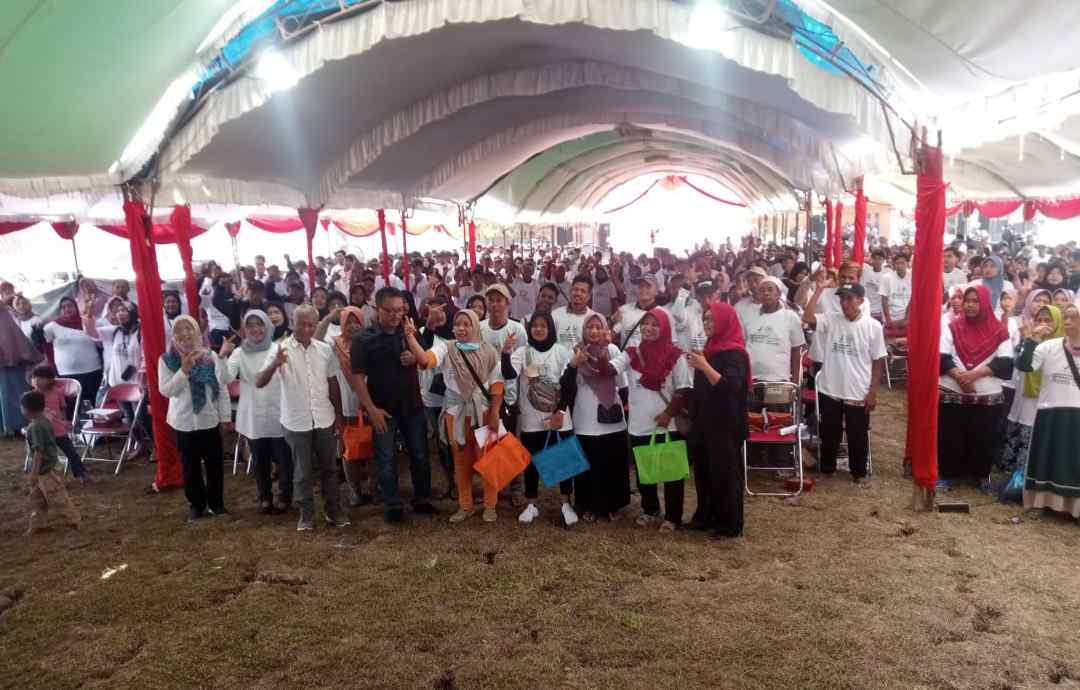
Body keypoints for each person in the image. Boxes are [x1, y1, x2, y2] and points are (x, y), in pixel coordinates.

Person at [403, 308, 504, 523]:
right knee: (461, 462)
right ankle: (465, 505)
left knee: (489, 460)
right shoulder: (446, 348)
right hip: (455, 414)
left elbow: (497, 385)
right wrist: (411, 338)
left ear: (475, 326)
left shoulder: (489, 351)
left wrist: (495, 413)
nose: (461, 328)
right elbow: (426, 360)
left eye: (466, 324)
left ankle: (490, 505)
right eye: (457, 324)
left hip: (484, 413)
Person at [256, 306, 348, 531]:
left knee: (329, 468)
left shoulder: (324, 350)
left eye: (310, 324)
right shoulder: (280, 349)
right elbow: (259, 381)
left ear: (317, 325)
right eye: (301, 324)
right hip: (296, 421)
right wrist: (275, 364)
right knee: (302, 472)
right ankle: (306, 515)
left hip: (324, 418)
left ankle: (333, 511)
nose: (306, 329)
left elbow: (333, 383)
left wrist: (338, 415)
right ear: (292, 322)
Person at [350, 288, 437, 523]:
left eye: (400, 310)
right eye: (389, 311)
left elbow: (424, 360)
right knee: (386, 457)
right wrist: (371, 409)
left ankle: (422, 498)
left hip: (412, 405)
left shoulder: (408, 330)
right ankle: (393, 504)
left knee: (419, 454)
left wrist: (414, 358)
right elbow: (357, 377)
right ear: (377, 309)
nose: (396, 316)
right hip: (383, 409)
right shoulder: (363, 338)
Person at [609, 309, 691, 531]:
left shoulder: (676, 356)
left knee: (672, 473)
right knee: (645, 472)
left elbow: (683, 390)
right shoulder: (632, 353)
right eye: (645, 323)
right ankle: (650, 509)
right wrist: (599, 347)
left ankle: (672, 517)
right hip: (639, 424)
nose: (649, 328)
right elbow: (609, 369)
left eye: (655, 325)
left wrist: (668, 414)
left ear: (664, 328)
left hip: (668, 425)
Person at [802, 281, 885, 485]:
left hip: (857, 389)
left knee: (857, 433)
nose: (844, 303)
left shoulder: (873, 327)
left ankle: (858, 472)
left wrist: (873, 391)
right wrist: (819, 290)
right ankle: (827, 469)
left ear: (861, 300)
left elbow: (878, 361)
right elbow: (807, 318)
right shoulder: (832, 319)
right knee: (829, 431)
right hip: (830, 387)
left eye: (849, 298)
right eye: (841, 298)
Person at [936, 285, 1014, 490]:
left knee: (984, 436)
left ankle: (980, 475)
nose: (969, 305)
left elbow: (1005, 363)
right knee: (950, 435)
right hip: (952, 392)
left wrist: (974, 375)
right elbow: (941, 356)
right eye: (967, 301)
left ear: (985, 303)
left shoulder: (1000, 331)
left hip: (987, 396)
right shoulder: (953, 327)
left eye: (975, 301)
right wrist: (960, 378)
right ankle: (948, 473)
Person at [502, 311, 577, 525]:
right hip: (532, 419)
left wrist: (560, 412)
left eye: (543, 325)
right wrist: (505, 352)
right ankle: (532, 504)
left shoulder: (560, 351)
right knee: (532, 461)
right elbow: (509, 374)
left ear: (550, 328)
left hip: (559, 417)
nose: (539, 329)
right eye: (535, 325)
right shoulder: (523, 351)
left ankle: (565, 503)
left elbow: (569, 383)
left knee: (563, 460)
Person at [158, 315, 233, 522]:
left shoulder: (210, 356)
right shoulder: (166, 360)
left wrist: (225, 417)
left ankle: (217, 504)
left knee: (214, 465)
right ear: (173, 335)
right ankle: (197, 505)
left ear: (197, 332)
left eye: (189, 328)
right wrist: (184, 370)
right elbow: (167, 391)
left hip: (209, 419)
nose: (184, 333)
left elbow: (222, 387)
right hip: (183, 422)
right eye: (179, 330)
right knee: (190, 467)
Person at [686, 302, 751, 538]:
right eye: (705, 319)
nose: (707, 323)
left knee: (725, 475)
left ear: (725, 321)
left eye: (712, 319)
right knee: (704, 472)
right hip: (705, 420)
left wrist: (704, 365)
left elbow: (730, 387)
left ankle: (729, 525)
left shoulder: (734, 353)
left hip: (725, 423)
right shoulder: (710, 348)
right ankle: (705, 517)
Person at [220, 311, 293, 515]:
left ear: (267, 326)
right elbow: (226, 378)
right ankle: (265, 497)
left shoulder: (278, 348)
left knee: (284, 459)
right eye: (250, 325)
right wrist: (222, 355)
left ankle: (285, 495)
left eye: (259, 324)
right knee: (260, 460)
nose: (255, 329)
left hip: (279, 410)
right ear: (245, 329)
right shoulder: (240, 352)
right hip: (253, 414)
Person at [562, 312, 631, 522]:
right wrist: (575, 364)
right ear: (583, 330)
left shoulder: (612, 350)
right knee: (588, 465)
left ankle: (614, 505)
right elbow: (566, 386)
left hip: (611, 417)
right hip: (585, 417)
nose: (593, 331)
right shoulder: (576, 352)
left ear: (604, 329)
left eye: (598, 327)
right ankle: (588, 505)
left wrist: (625, 409)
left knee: (613, 464)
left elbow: (622, 384)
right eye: (589, 327)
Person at [1016, 303, 1080, 519]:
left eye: (1074, 317)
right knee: (1045, 459)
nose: (1068, 321)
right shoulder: (1049, 346)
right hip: (1050, 412)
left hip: (1077, 415)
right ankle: (1039, 503)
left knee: (1075, 463)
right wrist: (1032, 340)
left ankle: (1075, 509)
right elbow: (1025, 366)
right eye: (1066, 316)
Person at [331, 306, 375, 506]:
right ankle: (355, 492)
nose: (352, 326)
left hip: (371, 405)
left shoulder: (371, 343)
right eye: (347, 322)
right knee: (349, 452)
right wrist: (327, 319)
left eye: (356, 321)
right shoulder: (335, 346)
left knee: (374, 450)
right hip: (347, 406)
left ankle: (374, 489)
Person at [22, 390, 80, 535]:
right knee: (37, 499)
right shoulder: (44, 420)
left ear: (27, 410)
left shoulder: (36, 427)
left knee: (58, 498)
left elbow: (38, 452)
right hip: (45, 469)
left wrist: (34, 473)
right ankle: (38, 524)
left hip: (46, 471)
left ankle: (73, 521)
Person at [30, 364, 90, 482]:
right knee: (40, 454)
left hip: (58, 429)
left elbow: (62, 408)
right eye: (34, 377)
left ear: (49, 380)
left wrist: (64, 421)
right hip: (42, 431)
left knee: (71, 452)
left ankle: (81, 473)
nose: (36, 380)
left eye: (40, 378)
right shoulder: (33, 395)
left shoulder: (57, 392)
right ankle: (41, 474)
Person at [741, 276, 805, 382]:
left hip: (778, 379)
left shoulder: (790, 317)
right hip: (751, 378)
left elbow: (796, 351)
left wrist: (796, 381)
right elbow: (743, 345)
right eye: (762, 290)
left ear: (779, 294)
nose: (766, 293)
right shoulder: (749, 315)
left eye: (770, 290)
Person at [1, 297, 42, 438]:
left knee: (15, 393)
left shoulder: (7, 318)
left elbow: (15, 341)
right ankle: (11, 426)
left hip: (14, 364)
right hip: (9, 365)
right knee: (8, 394)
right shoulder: (7, 317)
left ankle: (17, 426)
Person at [551, 274, 593, 348]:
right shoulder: (555, 314)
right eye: (575, 289)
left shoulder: (593, 318)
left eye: (583, 291)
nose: (578, 293)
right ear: (570, 291)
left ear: (589, 296)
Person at [880, 254, 912, 335]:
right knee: (889, 340)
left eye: (902, 263)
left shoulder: (912, 276)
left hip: (906, 317)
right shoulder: (886, 277)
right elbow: (884, 300)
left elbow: (913, 299)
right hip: (891, 317)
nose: (900, 266)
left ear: (907, 264)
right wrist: (888, 320)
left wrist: (906, 318)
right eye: (897, 263)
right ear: (894, 265)